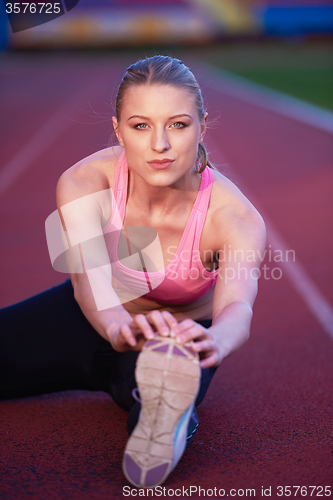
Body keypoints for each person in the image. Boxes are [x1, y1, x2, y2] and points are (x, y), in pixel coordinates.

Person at [0, 55, 266, 488]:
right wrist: (118, 325)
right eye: (141, 126)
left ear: (202, 125)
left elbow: (237, 305)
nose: (159, 144)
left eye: (178, 125)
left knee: (153, 398)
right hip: (92, 316)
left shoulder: (234, 218)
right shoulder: (86, 182)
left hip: (171, 344)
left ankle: (169, 419)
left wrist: (213, 340)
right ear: (118, 129)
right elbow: (88, 282)